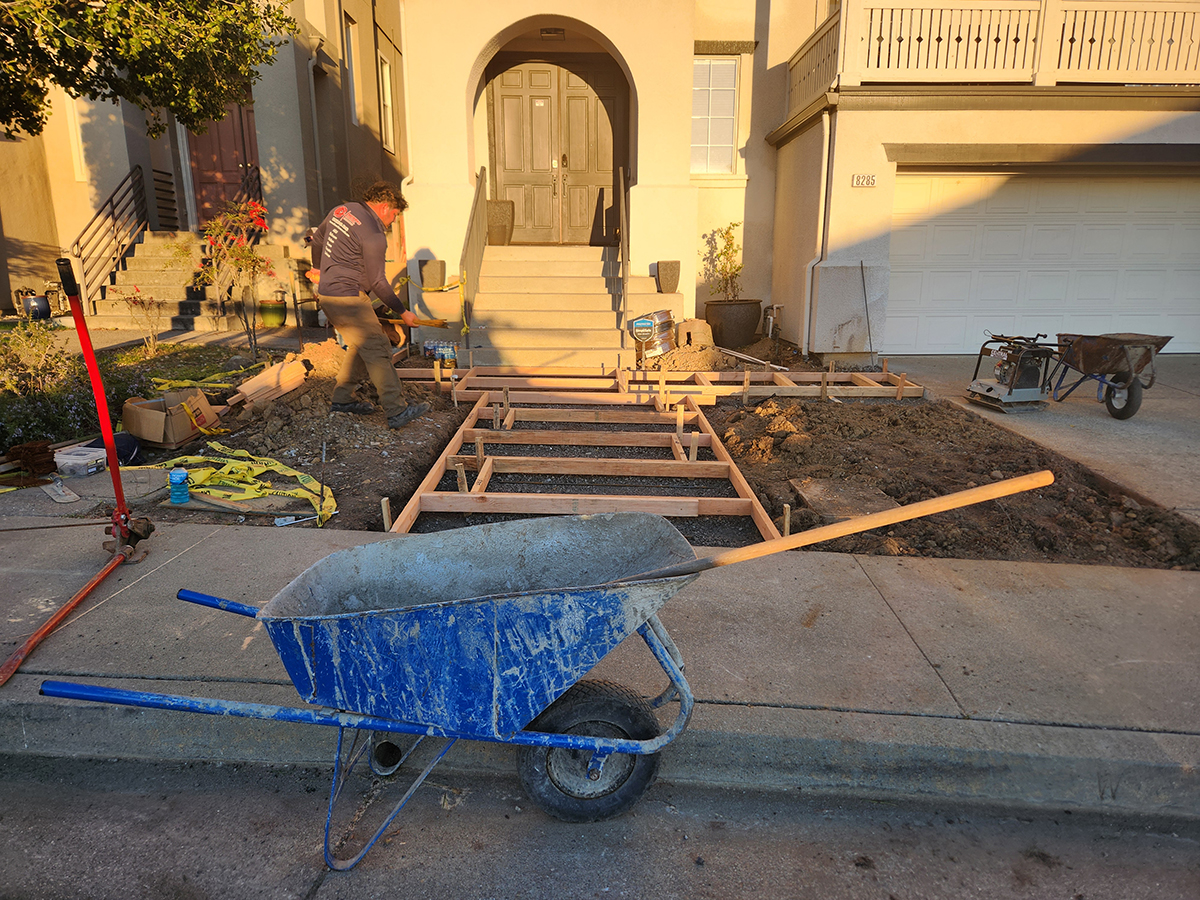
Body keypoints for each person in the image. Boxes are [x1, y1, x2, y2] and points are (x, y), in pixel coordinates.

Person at [308, 181, 429, 429]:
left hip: (329, 296)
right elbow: (378, 281)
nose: (393, 221)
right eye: (394, 215)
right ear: (385, 207)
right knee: (379, 349)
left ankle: (342, 400)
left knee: (361, 345)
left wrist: (317, 268)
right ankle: (397, 410)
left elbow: (318, 239)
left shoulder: (341, 211)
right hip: (349, 298)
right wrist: (403, 311)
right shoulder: (374, 235)